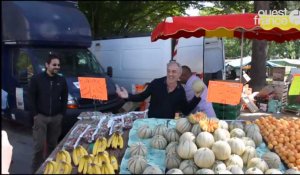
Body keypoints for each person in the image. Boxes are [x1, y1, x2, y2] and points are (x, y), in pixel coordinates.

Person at [116, 61, 203, 119]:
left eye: (174, 71)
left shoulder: (180, 91)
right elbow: (141, 97)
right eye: (168, 71)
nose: (170, 74)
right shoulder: (156, 83)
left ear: (179, 74)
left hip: (168, 126)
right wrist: (128, 96)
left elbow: (186, 110)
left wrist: (196, 97)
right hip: (152, 122)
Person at [29, 54, 68, 173]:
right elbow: (31, 97)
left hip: (56, 118)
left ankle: (50, 169)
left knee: (53, 145)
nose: (57, 67)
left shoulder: (61, 80)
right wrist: (35, 115)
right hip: (41, 117)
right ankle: (35, 170)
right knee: (39, 147)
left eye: (58, 65)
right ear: (47, 65)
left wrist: (62, 114)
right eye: (54, 64)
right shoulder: (37, 79)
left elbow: (64, 98)